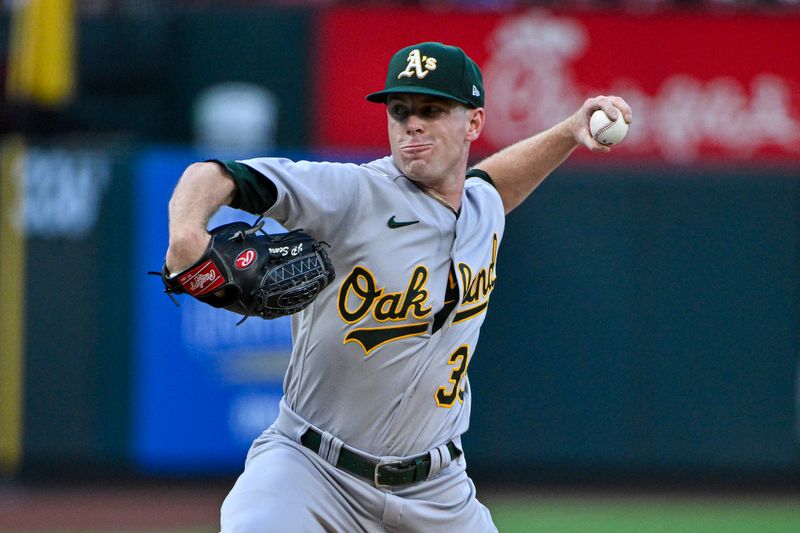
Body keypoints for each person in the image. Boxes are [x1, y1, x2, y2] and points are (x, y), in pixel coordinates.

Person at [165, 41, 632, 532]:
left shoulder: (482, 209)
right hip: (311, 472)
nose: (413, 123)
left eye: (432, 110)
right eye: (401, 110)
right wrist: (186, 235)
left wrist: (570, 130)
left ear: (474, 123)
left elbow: (495, 184)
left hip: (438, 490)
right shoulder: (353, 193)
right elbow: (216, 174)